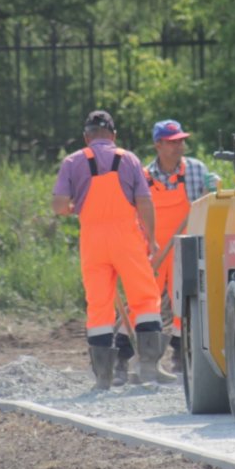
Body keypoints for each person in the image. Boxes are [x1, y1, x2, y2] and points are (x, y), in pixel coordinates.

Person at [51, 110, 167, 390]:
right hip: (126, 239)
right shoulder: (129, 159)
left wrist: (72, 209)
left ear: (86, 137)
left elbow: (58, 205)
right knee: (145, 298)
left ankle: (103, 377)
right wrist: (151, 239)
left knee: (99, 306)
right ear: (114, 135)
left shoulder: (72, 161)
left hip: (93, 241)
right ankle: (149, 367)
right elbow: (145, 203)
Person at [142, 119, 213, 376]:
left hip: (185, 248)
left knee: (184, 301)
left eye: (181, 141)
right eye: (172, 142)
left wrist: (213, 189)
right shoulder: (144, 176)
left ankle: (181, 353)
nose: (179, 146)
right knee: (147, 301)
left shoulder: (196, 170)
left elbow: (207, 207)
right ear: (157, 144)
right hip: (155, 249)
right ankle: (145, 356)